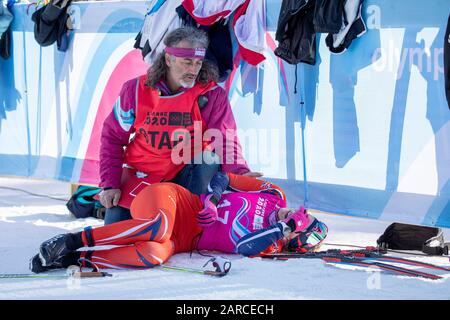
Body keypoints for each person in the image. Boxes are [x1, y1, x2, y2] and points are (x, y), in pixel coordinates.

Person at [99, 26, 261, 225]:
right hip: (142, 173)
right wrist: (110, 185)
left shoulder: (210, 95)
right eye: (187, 62)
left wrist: (241, 174)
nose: (193, 70)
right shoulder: (134, 90)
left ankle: (190, 216)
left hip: (186, 175)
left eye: (198, 63)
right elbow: (112, 138)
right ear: (168, 60)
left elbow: (225, 140)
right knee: (115, 230)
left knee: (209, 158)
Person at [30, 173, 328, 273]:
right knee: (158, 226)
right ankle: (70, 241)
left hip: (182, 239)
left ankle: (74, 261)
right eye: (299, 212)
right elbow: (223, 177)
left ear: (290, 236)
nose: (290, 214)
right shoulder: (274, 194)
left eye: (296, 222)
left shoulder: (269, 241)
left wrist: (282, 229)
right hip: (175, 201)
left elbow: (243, 247)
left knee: (154, 255)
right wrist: (213, 198)